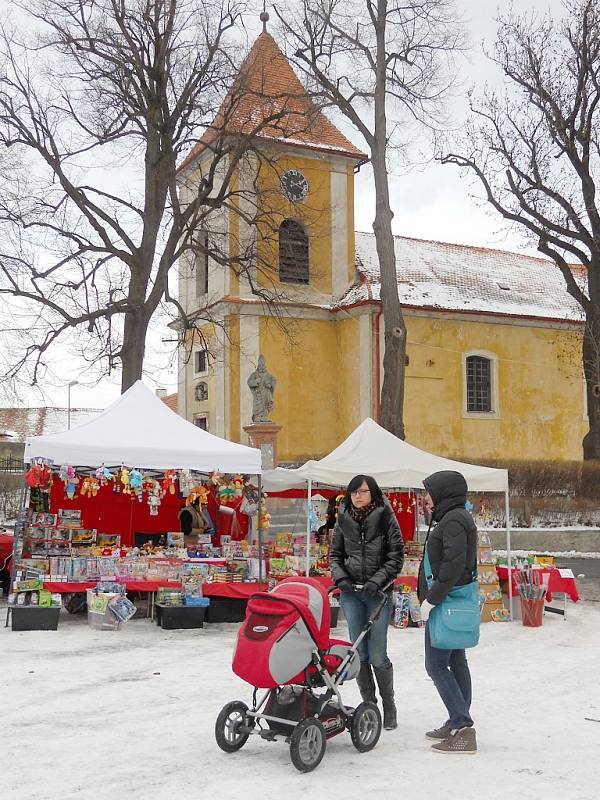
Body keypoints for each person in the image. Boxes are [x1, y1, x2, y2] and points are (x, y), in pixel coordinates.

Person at [330, 474, 404, 730]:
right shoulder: (343, 519)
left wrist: (378, 581)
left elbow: (396, 556)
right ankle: (369, 706)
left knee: (377, 654)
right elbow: (335, 555)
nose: (357, 496)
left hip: (378, 594)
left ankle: (389, 705)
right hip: (351, 593)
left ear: (373, 493)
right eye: (353, 492)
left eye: (362, 492)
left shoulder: (386, 518)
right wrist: (341, 578)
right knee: (358, 653)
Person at [417, 470, 478, 754]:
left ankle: (462, 726)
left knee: (437, 665)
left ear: (442, 492)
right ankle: (457, 721)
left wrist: (431, 600)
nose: (426, 498)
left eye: (429, 492)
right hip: (452, 600)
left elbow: (452, 567)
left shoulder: (453, 520)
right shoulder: (454, 517)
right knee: (456, 660)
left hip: (446, 601)